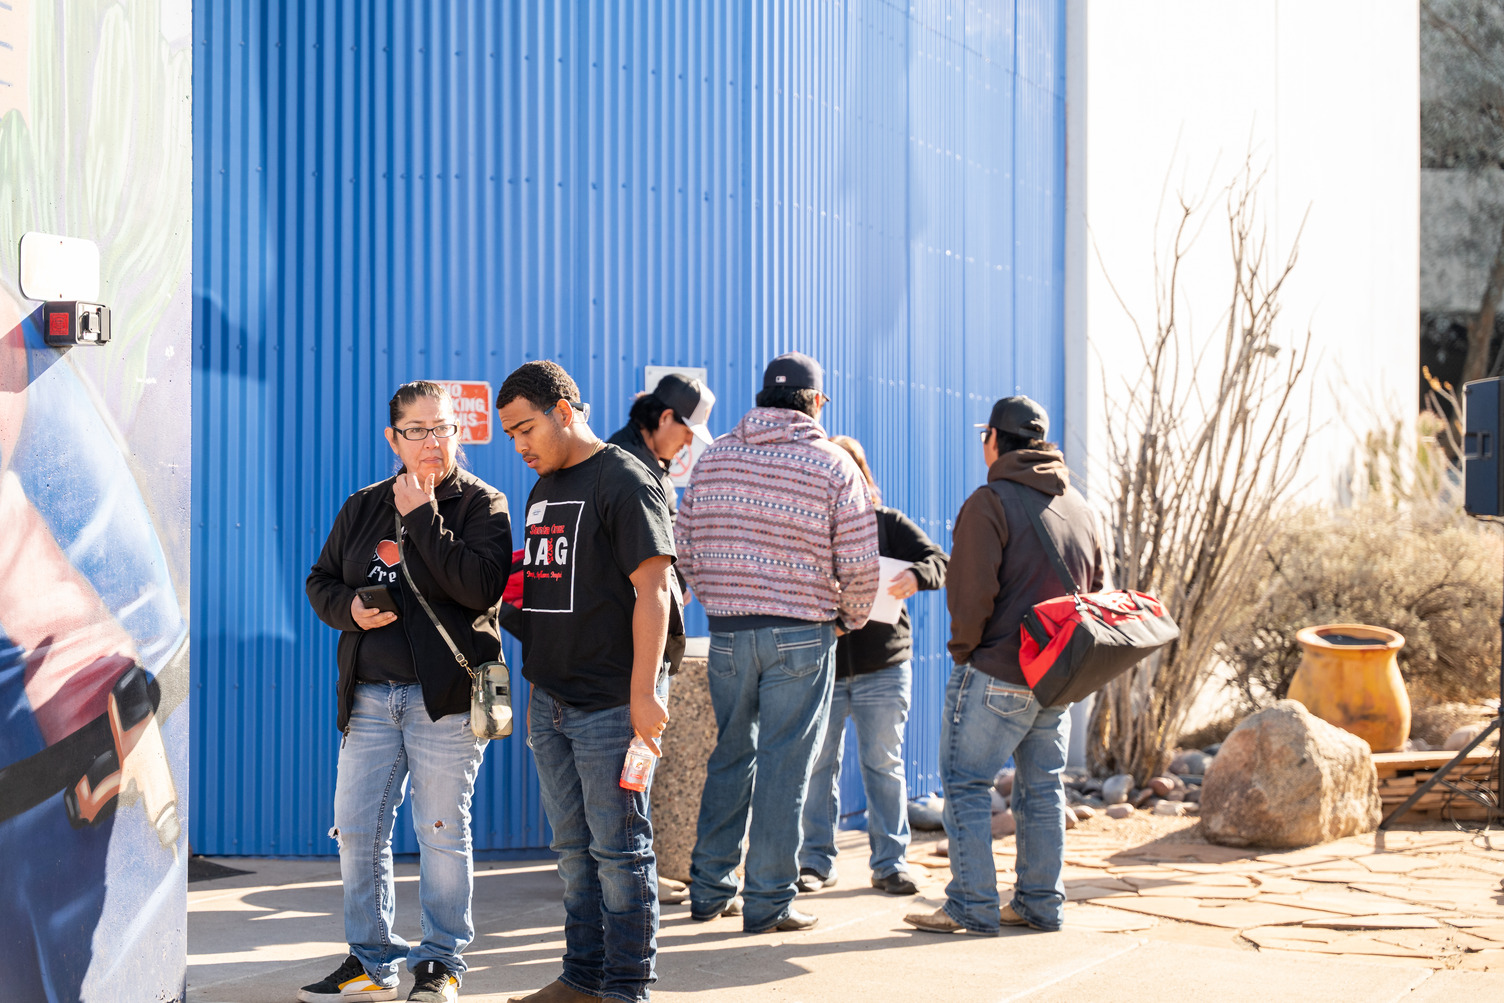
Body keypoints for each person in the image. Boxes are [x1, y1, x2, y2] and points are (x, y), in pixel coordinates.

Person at [304, 381, 512, 1003]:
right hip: (370, 697)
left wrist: (422, 514)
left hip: (444, 699)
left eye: (443, 427)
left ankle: (441, 962)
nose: (431, 441)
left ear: (458, 432)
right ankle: (370, 959)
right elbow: (320, 582)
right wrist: (349, 611)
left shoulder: (482, 504)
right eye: (416, 430)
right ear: (393, 438)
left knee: (443, 829)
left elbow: (479, 588)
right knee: (357, 829)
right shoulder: (362, 505)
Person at [676, 351, 880, 934]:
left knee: (731, 756)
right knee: (786, 766)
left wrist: (719, 597)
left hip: (728, 635)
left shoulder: (714, 458)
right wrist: (847, 619)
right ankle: (768, 901)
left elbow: (682, 546)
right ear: (817, 402)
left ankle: (710, 888)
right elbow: (862, 565)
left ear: (763, 398)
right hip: (803, 633)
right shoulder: (834, 464)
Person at [495, 361, 676, 1003]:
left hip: (609, 707)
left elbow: (655, 588)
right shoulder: (543, 488)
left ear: (564, 411)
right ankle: (583, 978)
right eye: (510, 434)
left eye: (524, 429)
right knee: (574, 851)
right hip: (550, 700)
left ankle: (626, 988)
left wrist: (643, 694)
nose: (518, 446)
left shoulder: (625, 479)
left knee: (621, 854)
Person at [904, 396, 1104, 936]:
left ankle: (971, 904)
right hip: (1057, 678)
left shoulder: (990, 501)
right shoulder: (1081, 508)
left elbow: (970, 594)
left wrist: (966, 653)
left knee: (966, 784)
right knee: (1043, 788)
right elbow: (1098, 593)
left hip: (998, 671)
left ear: (993, 439)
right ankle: (1039, 903)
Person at [796, 436, 948, 898]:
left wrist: (915, 577)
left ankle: (890, 864)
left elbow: (940, 561)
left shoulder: (888, 524)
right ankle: (817, 864)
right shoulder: (807, 527)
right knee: (819, 766)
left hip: (884, 667)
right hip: (826, 667)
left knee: (883, 764)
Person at [605, 372, 716, 517]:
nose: (689, 442)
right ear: (665, 417)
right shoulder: (628, 467)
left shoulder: (639, 457)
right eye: (687, 432)